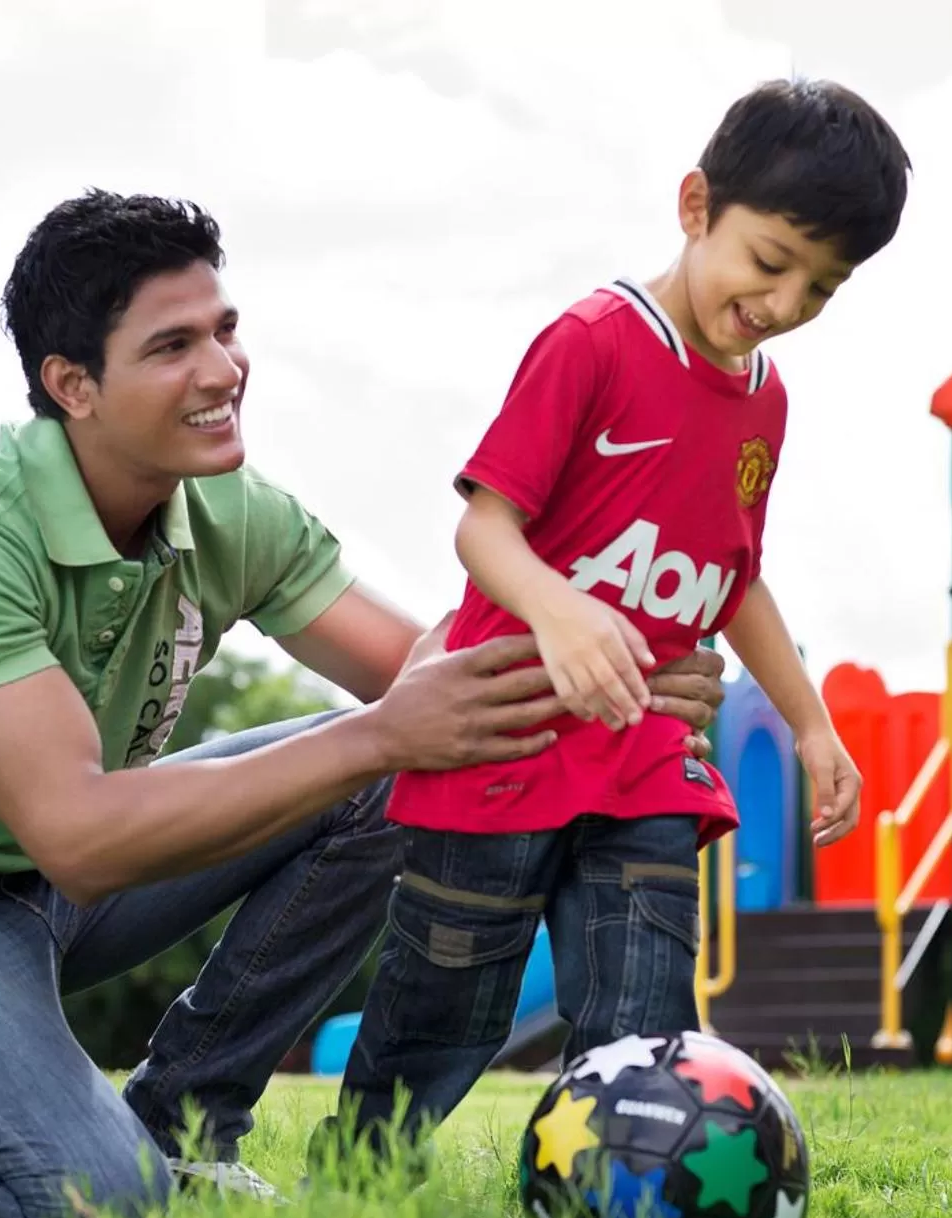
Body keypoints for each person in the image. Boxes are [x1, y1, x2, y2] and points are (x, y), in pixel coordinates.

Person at [0, 189, 728, 1218]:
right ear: (71, 384)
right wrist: (385, 731)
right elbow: (79, 839)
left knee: (391, 776)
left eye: (225, 330)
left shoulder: (224, 506)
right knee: (98, 1206)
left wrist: (613, 660)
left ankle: (186, 1121)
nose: (223, 370)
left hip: (40, 882)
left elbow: (432, 675)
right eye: (172, 346)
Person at [318, 78, 911, 1158]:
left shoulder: (764, 401)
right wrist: (562, 614)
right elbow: (483, 527)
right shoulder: (592, 340)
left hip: (645, 758)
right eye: (770, 261)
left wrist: (811, 722)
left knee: (643, 1022)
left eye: (822, 288)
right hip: (499, 741)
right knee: (442, 1013)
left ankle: (623, 1206)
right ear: (695, 207)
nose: (784, 302)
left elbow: (736, 578)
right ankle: (358, 1183)